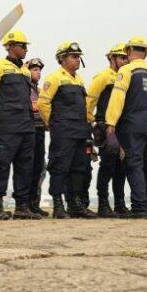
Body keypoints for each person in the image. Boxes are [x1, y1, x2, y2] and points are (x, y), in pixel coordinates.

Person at [105, 36, 147, 219]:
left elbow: (118, 96)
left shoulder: (126, 70)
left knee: (135, 164)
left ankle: (140, 208)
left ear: (129, 51)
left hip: (133, 126)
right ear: (146, 53)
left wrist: (111, 121)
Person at [0, 30, 36, 220]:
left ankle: (22, 206)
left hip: (26, 125)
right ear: (11, 46)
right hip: (7, 125)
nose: (25, 49)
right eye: (23, 46)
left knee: (25, 166)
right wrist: (0, 115)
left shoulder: (26, 71)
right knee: (0, 164)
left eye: (26, 46)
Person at [39, 42, 93, 219]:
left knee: (79, 168)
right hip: (63, 131)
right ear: (62, 59)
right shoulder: (54, 78)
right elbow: (43, 103)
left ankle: (74, 203)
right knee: (60, 167)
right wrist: (52, 124)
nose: (78, 60)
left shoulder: (79, 79)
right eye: (74, 56)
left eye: (79, 57)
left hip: (80, 131)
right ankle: (58, 204)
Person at [86, 44, 128, 218]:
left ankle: (120, 204)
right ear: (112, 58)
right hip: (105, 126)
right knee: (107, 166)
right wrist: (90, 123)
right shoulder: (103, 77)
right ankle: (103, 204)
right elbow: (90, 101)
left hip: (122, 127)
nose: (125, 61)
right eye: (121, 58)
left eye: (126, 58)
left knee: (122, 167)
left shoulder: (125, 77)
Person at [25, 58, 49, 217]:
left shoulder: (40, 92)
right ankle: (25, 204)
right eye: (34, 70)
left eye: (39, 70)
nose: (38, 73)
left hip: (40, 132)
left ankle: (34, 203)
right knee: (27, 168)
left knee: (39, 169)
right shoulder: (24, 90)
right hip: (28, 132)